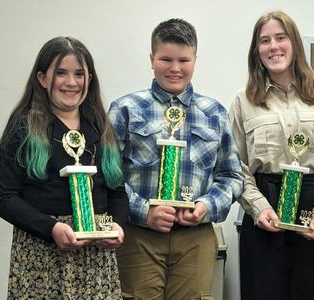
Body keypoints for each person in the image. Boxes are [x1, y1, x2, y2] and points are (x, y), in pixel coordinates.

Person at [108, 18, 244, 300]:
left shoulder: (215, 112)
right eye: (165, 58)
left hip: (196, 239)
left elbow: (232, 176)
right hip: (138, 236)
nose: (174, 68)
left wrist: (206, 206)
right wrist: (143, 210)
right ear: (151, 58)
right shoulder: (125, 109)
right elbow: (109, 174)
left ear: (195, 59)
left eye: (183, 59)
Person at [230, 11, 314, 300]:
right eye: (264, 41)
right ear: (256, 50)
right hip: (264, 212)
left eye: (280, 38)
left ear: (295, 44)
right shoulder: (243, 101)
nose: (273, 46)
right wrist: (258, 206)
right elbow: (234, 166)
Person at [0, 36, 129, 299]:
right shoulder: (24, 127)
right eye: (61, 73)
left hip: (96, 261)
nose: (71, 82)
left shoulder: (100, 127)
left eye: (79, 73)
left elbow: (117, 192)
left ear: (90, 78)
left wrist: (117, 226)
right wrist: (50, 228)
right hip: (41, 259)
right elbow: (3, 198)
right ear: (43, 78)